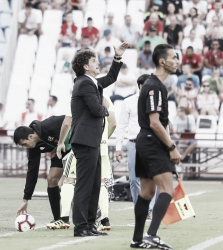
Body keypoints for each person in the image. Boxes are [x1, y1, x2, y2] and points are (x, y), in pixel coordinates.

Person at [69, 42, 128, 237]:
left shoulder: (91, 82)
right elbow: (96, 109)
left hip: (91, 140)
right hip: (85, 140)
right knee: (85, 185)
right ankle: (81, 226)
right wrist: (107, 109)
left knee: (94, 185)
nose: (97, 62)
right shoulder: (85, 82)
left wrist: (117, 57)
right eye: (94, 60)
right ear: (85, 66)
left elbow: (111, 77)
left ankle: (89, 225)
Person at [131, 44, 180, 249]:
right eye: (174, 58)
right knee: (167, 190)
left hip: (144, 140)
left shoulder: (154, 85)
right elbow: (154, 122)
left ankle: (137, 239)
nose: (177, 61)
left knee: (146, 193)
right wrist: (171, 147)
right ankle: (151, 235)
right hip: (152, 141)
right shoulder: (155, 86)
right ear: (162, 61)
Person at [58, 95, 116, 231]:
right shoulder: (105, 98)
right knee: (101, 182)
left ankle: (64, 218)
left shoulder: (77, 97)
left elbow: (67, 122)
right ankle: (104, 220)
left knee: (69, 180)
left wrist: (61, 142)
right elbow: (113, 123)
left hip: (83, 145)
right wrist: (103, 140)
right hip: (102, 148)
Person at [14, 115, 72, 229]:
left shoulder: (50, 125)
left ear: (30, 136)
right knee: (52, 179)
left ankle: (91, 215)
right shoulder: (33, 148)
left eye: (24, 144)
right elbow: (32, 171)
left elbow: (71, 119)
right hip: (63, 151)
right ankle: (58, 219)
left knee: (71, 181)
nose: (24, 148)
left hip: (78, 146)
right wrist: (26, 199)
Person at [115, 75, 156, 218]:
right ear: (140, 86)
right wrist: (118, 147)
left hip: (151, 144)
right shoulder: (128, 102)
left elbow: (163, 123)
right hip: (133, 143)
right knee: (133, 180)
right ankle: (141, 208)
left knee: (151, 178)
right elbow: (121, 125)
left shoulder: (155, 102)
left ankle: (149, 210)